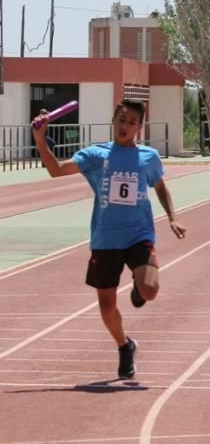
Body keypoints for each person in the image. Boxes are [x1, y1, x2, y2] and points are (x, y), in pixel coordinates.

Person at [31, 99, 186, 379]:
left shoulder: (148, 157)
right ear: (113, 121)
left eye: (132, 122)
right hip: (105, 238)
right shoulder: (95, 155)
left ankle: (139, 286)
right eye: (121, 120)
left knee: (150, 290)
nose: (125, 126)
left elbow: (160, 187)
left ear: (140, 127)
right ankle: (125, 346)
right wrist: (39, 138)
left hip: (139, 234)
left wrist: (173, 216)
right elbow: (55, 170)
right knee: (106, 305)